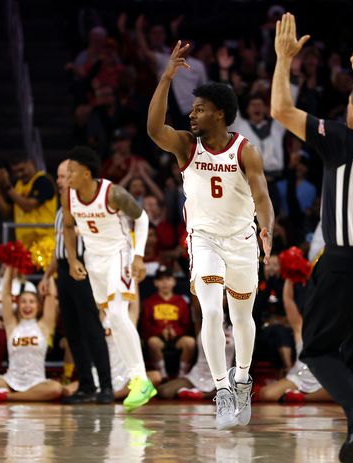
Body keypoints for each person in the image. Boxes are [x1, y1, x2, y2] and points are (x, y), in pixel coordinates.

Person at [270, 18, 353, 463]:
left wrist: (283, 59)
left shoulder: (343, 140)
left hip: (344, 261)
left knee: (318, 348)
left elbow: (280, 111)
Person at [147, 42, 274, 430]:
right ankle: (220, 392)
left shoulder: (244, 151)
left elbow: (262, 195)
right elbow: (154, 129)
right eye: (193, 108)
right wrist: (166, 77)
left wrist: (267, 227)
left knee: (241, 317)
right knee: (212, 311)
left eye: (200, 108)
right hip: (203, 240)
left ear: (220, 114)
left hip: (241, 240)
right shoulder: (187, 146)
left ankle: (242, 379)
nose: (193, 113)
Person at [62, 146, 156, 411]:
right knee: (113, 320)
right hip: (94, 260)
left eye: (71, 170)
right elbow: (68, 227)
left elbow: (143, 218)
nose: (66, 175)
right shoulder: (68, 195)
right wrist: (72, 259)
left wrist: (138, 256)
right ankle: (138, 378)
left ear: (86, 173)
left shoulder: (113, 193)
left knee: (116, 314)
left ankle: (140, 379)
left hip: (119, 254)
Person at [39, 158, 112, 404]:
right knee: (71, 330)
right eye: (59, 176)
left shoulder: (86, 204)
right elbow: (59, 246)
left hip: (82, 265)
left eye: (64, 176)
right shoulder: (62, 207)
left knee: (92, 327)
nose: (60, 181)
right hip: (62, 268)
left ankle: (107, 386)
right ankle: (86, 385)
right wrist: (47, 275)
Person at [0, 266, 63, 402]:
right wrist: (10, 266)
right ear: (17, 306)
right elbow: (6, 295)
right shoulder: (12, 325)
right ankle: (19, 395)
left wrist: (47, 275)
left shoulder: (44, 326)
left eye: (31, 302)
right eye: (23, 302)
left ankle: (7, 396)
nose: (27, 305)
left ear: (38, 306)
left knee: (55, 389)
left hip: (37, 382)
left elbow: (51, 298)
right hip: (11, 379)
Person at [258, 279, 331, 403]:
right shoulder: (301, 327)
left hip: (326, 380)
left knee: (347, 391)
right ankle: (300, 395)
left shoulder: (336, 328)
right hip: (300, 378)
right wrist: (290, 277)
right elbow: (288, 300)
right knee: (266, 394)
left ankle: (301, 397)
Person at [64, 315, 162, 401]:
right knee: (67, 390)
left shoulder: (129, 317)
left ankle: (111, 395)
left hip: (125, 374)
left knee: (155, 377)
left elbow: (133, 300)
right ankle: (103, 394)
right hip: (102, 371)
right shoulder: (98, 316)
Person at [0, 156, 57, 247]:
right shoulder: (17, 185)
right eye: (15, 172)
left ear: (31, 163)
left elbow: (28, 206)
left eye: (22, 170)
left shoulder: (43, 181)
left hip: (45, 243)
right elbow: (6, 212)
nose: (19, 174)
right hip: (24, 245)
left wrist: (7, 186)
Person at [141, 266, 195, 379]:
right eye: (161, 280)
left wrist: (175, 331)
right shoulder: (149, 302)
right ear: (155, 283)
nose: (164, 283)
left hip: (177, 338)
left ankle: (182, 374)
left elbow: (187, 326)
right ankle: (163, 375)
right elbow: (145, 326)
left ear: (174, 281)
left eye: (168, 279)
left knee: (190, 342)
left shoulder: (181, 302)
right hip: (157, 337)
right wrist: (161, 331)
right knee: (153, 343)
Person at [157, 323, 235, 400]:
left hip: (223, 375)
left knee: (233, 391)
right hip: (198, 375)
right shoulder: (202, 319)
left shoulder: (236, 321)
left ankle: (202, 395)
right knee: (163, 391)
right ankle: (196, 392)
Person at [0, 265, 37, 375]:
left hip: (20, 323)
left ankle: (23, 373)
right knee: (0, 338)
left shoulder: (27, 286)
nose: (9, 267)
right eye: (5, 263)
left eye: (13, 264)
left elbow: (34, 309)